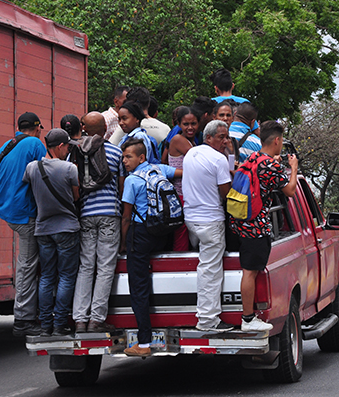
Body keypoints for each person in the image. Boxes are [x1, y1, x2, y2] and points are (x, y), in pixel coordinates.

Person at [229, 121, 298, 331]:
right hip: (256, 226)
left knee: (248, 270)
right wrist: (293, 168)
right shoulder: (272, 166)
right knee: (249, 272)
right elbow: (291, 191)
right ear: (277, 140)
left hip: (239, 221)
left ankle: (248, 316)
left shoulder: (253, 158)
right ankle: (248, 319)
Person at [120, 138, 182, 357]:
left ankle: (144, 342)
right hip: (162, 231)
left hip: (140, 233)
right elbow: (182, 173)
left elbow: (126, 217)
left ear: (141, 157)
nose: (125, 161)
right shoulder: (159, 170)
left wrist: (123, 243)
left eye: (129, 157)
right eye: (124, 157)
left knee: (138, 288)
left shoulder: (132, 180)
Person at [23, 128, 81, 336]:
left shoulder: (32, 168)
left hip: (43, 229)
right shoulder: (69, 169)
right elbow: (75, 197)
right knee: (66, 276)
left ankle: (45, 325)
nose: (68, 150)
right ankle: (59, 324)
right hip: (66, 228)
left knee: (47, 276)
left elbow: (27, 187)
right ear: (60, 146)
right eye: (66, 146)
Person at [72, 112, 127, 333]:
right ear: (105, 128)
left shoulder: (75, 153)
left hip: (86, 213)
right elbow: (122, 188)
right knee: (105, 267)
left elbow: (73, 184)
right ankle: (96, 319)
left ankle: (79, 319)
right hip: (109, 214)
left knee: (86, 266)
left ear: (84, 128)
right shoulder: (115, 152)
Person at [0, 111, 46, 337]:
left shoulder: (5, 146)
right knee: (27, 264)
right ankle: (23, 318)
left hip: (8, 209)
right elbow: (47, 174)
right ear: (37, 128)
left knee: (29, 262)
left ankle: (30, 311)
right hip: (26, 212)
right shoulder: (35, 144)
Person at [182, 120, 233, 332]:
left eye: (227, 137)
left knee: (203, 265)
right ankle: (208, 319)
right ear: (209, 137)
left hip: (191, 218)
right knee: (210, 270)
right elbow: (226, 193)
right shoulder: (218, 160)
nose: (226, 141)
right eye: (221, 137)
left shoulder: (191, 154)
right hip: (211, 220)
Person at [168, 107, 201, 251]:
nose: (190, 127)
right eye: (186, 124)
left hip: (189, 194)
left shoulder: (192, 141)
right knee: (181, 231)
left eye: (193, 123)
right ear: (179, 125)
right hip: (181, 194)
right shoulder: (178, 139)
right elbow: (201, 161)